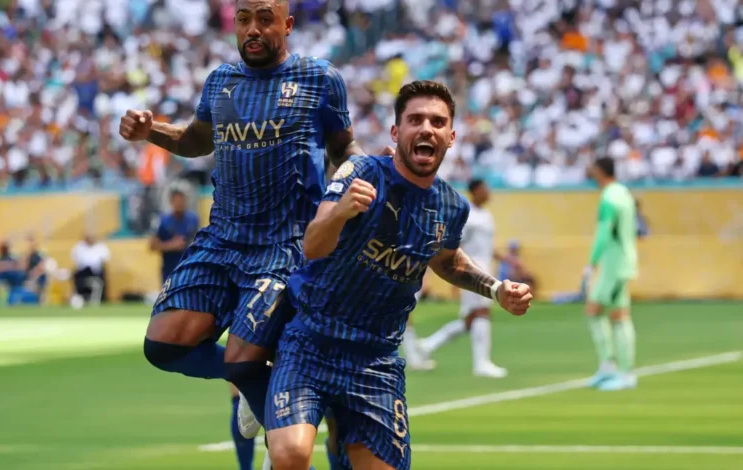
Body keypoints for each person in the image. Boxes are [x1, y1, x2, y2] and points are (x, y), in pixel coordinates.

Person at [119, 0, 386, 466]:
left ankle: (281, 429)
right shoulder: (220, 81)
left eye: (265, 18)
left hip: (284, 246)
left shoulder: (319, 78)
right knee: (162, 346)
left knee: (243, 360)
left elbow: (343, 147)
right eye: (244, 19)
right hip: (221, 240)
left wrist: (366, 175)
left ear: (287, 24)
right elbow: (196, 139)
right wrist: (151, 132)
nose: (253, 29)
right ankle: (257, 384)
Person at [263, 81, 533, 470]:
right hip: (312, 342)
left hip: (375, 360)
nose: (426, 128)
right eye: (415, 119)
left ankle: (337, 437)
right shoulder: (361, 171)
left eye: (437, 122)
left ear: (451, 137)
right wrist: (341, 212)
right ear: (395, 131)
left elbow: (448, 261)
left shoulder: (451, 207)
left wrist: (495, 289)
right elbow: (312, 246)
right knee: (291, 456)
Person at [416, 179, 514, 378]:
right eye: (485, 188)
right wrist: (457, 275)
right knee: (481, 313)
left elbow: (485, 246)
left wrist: (505, 258)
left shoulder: (486, 215)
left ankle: (428, 344)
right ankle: (482, 363)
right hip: (473, 269)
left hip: (486, 267)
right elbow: (456, 245)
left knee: (471, 319)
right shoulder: (468, 215)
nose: (488, 192)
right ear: (475, 191)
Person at [583, 157, 639, 391]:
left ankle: (623, 372)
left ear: (599, 171)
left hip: (615, 264)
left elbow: (604, 233)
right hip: (621, 261)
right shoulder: (624, 194)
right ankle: (611, 366)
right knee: (606, 311)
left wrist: (592, 262)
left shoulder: (608, 198)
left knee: (608, 313)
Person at [149, 188, 199, 283]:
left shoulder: (193, 219)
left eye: (182, 200)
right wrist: (171, 245)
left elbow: (199, 241)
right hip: (170, 271)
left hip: (189, 270)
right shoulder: (163, 221)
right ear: (171, 202)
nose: (180, 203)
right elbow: (152, 245)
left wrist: (189, 245)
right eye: (177, 200)